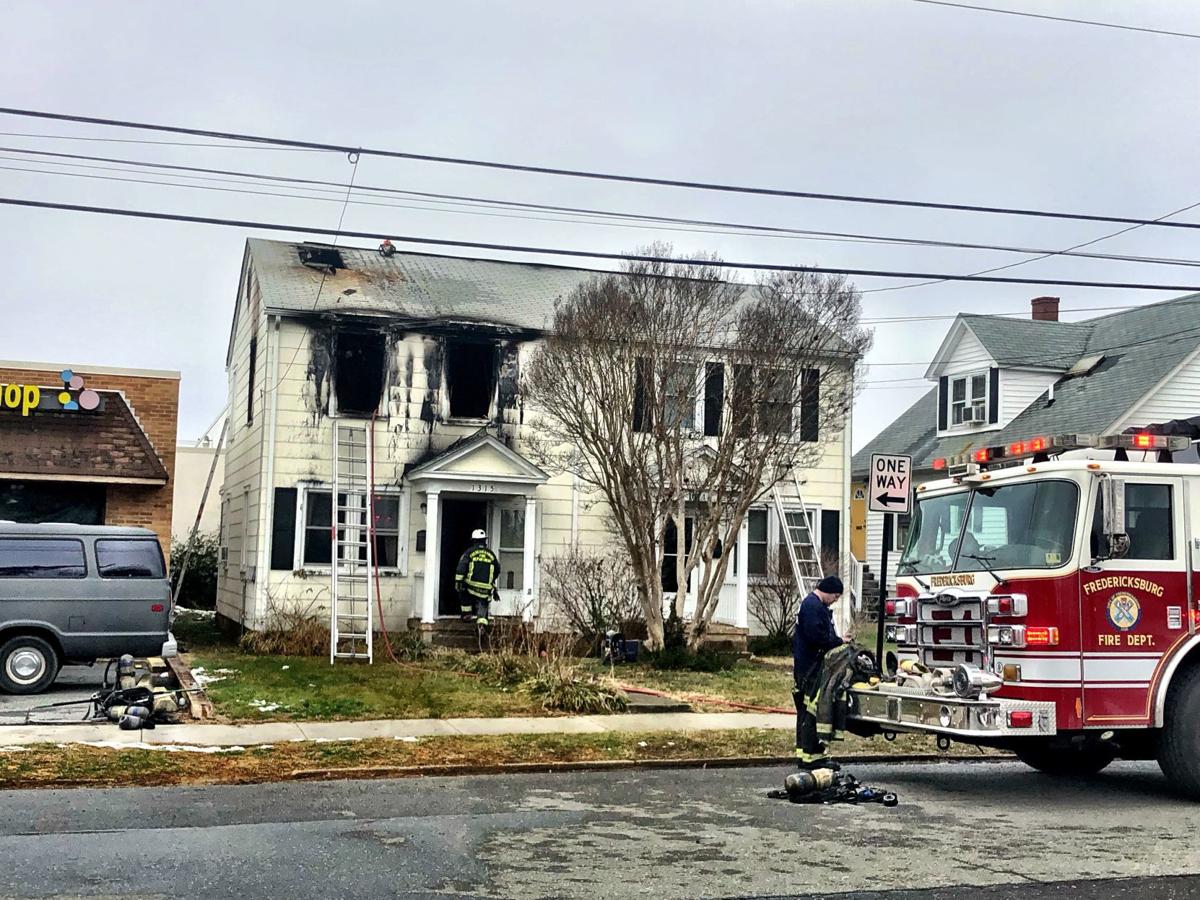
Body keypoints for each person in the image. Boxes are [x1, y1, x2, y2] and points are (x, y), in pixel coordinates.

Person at [792, 575, 852, 769]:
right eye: (835, 596)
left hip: (807, 667)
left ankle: (805, 754)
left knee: (805, 713)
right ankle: (812, 758)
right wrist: (839, 641)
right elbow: (817, 637)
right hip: (812, 669)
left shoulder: (814, 605)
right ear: (827, 591)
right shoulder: (813, 607)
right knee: (812, 713)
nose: (836, 600)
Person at [455, 528, 498, 626]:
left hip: (471, 586)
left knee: (463, 591)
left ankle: (467, 614)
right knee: (483, 602)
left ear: (474, 540)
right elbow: (497, 569)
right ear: (484, 540)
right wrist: (491, 582)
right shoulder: (491, 554)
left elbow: (461, 568)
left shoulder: (469, 553)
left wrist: (458, 582)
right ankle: (481, 623)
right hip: (486, 588)